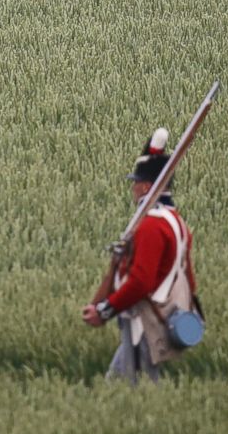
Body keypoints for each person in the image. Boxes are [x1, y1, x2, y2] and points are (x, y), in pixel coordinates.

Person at [81, 129, 201, 383]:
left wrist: (105, 309)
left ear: (146, 186)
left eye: (136, 182)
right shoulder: (176, 222)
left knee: (125, 388)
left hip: (146, 323)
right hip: (164, 319)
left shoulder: (152, 226)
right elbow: (190, 280)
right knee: (123, 388)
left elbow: (140, 282)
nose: (133, 188)